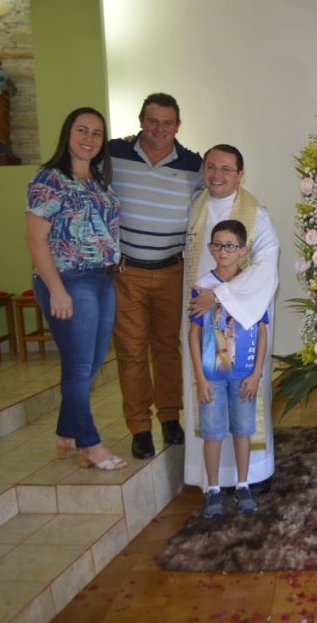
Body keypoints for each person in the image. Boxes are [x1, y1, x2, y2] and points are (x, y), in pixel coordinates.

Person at [24, 107, 126, 471]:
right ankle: (90, 442)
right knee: (79, 366)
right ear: (68, 133)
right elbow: (36, 240)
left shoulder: (99, 180)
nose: (89, 138)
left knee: (92, 364)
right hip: (68, 280)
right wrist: (57, 290)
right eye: (82, 130)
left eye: (97, 133)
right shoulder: (49, 179)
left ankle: (67, 431)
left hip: (103, 280)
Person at [109, 93, 203, 459]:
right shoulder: (113, 155)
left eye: (167, 123)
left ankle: (168, 417)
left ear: (177, 126)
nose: (159, 129)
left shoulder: (194, 164)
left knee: (167, 349)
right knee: (131, 352)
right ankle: (139, 426)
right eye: (152, 121)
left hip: (170, 271)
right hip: (126, 271)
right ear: (140, 121)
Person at [183, 144, 279, 491]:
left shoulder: (258, 216)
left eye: (226, 169)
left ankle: (249, 477)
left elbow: (266, 269)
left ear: (240, 174)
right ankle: (209, 481)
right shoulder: (193, 209)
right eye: (211, 167)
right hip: (204, 332)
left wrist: (219, 295)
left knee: (243, 406)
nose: (217, 175)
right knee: (208, 402)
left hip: (244, 336)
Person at [189, 219, 268, 518]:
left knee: (243, 430)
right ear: (210, 248)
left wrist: (256, 373)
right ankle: (212, 490)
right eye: (217, 245)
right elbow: (193, 333)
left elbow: (262, 331)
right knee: (212, 432)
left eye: (230, 246)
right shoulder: (203, 286)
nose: (223, 251)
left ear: (243, 250)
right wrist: (199, 376)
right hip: (212, 374)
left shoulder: (251, 285)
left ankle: (243, 485)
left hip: (244, 374)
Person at [0, 53, 17, 156]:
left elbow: (13, 89)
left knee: (0, 126)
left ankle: (2, 151)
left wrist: (5, 89)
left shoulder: (1, 74)